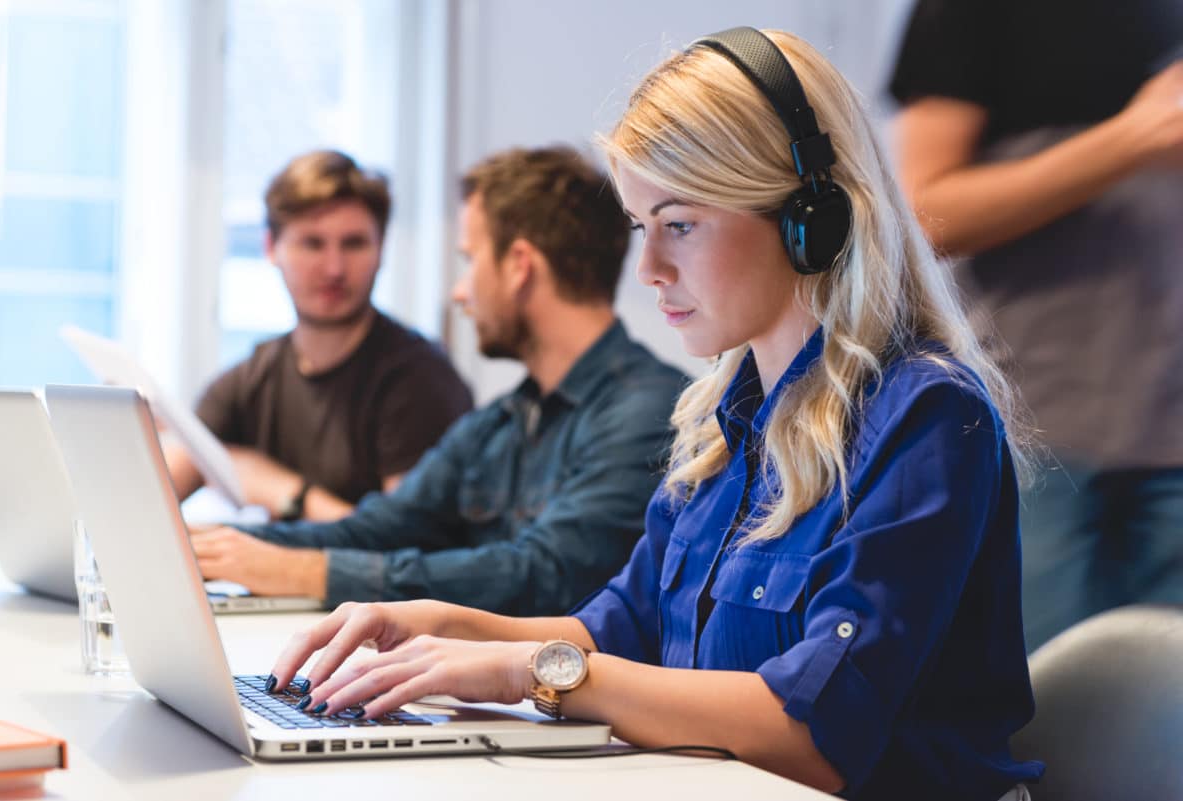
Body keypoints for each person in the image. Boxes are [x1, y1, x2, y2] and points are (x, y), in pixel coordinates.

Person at [262, 28, 1043, 801]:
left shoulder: (928, 418)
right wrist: (444, 625)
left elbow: (815, 733)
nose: (649, 270)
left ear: (812, 220)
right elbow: (617, 629)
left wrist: (525, 670)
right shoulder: (723, 425)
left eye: (679, 223)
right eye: (642, 227)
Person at [191, 145, 687, 612]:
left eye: (470, 261)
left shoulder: (647, 412)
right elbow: (377, 529)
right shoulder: (503, 422)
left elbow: (543, 576)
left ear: (518, 268)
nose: (459, 292)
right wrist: (209, 546)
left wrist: (309, 573)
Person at [888, 0, 1183, 649]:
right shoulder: (970, 14)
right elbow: (927, 215)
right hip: (1040, 441)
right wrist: (1131, 139)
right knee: (1048, 720)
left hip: (1169, 435)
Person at [166, 150, 473, 521]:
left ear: (381, 251)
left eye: (354, 244)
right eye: (312, 243)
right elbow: (160, 482)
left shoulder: (421, 380)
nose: (334, 268)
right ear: (271, 248)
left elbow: (405, 551)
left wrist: (289, 493)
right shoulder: (252, 378)